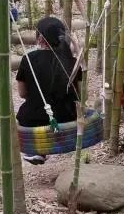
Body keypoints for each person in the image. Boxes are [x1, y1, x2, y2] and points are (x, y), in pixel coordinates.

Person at [15, 17, 82, 165]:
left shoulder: (28, 59)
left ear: (39, 38)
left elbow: (22, 93)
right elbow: (80, 95)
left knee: (27, 113)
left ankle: (37, 149)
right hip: (68, 118)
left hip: (34, 120)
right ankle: (56, 144)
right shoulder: (73, 62)